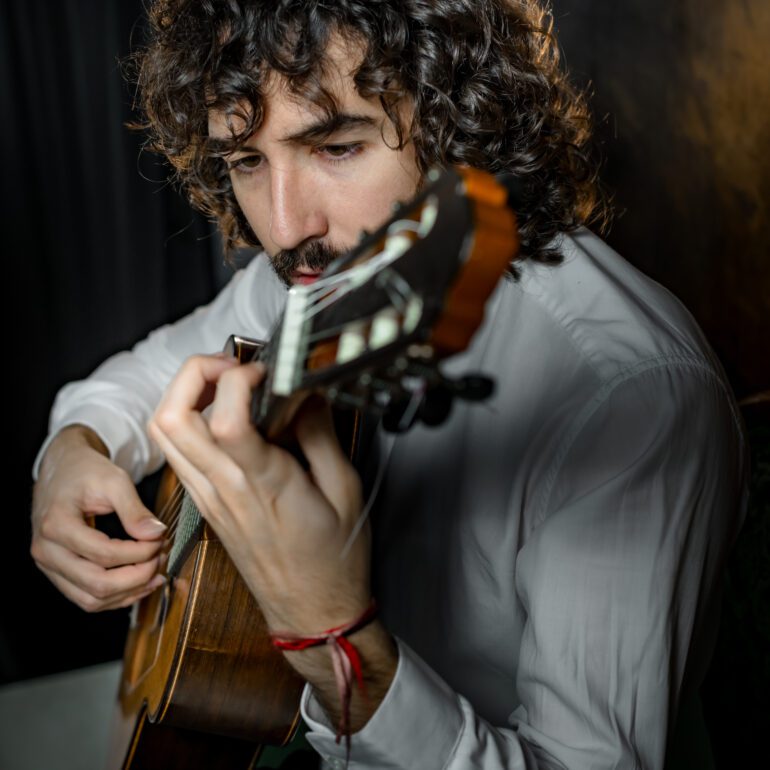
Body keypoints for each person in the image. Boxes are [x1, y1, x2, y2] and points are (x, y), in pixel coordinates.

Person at [31, 1, 747, 767]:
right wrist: (74, 449)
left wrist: (334, 639)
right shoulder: (320, 275)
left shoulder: (626, 394)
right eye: (246, 160)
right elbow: (140, 374)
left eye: (336, 147)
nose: (282, 226)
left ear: (462, 124)